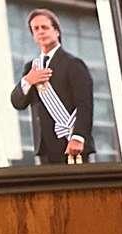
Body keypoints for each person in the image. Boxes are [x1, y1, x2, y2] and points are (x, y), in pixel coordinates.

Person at [9, 8, 96, 164]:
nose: (40, 31)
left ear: (56, 31)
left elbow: (85, 105)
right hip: (44, 148)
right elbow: (17, 103)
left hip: (71, 144)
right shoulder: (31, 68)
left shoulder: (73, 64)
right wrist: (28, 80)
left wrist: (78, 137)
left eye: (45, 27)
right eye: (36, 29)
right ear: (33, 36)